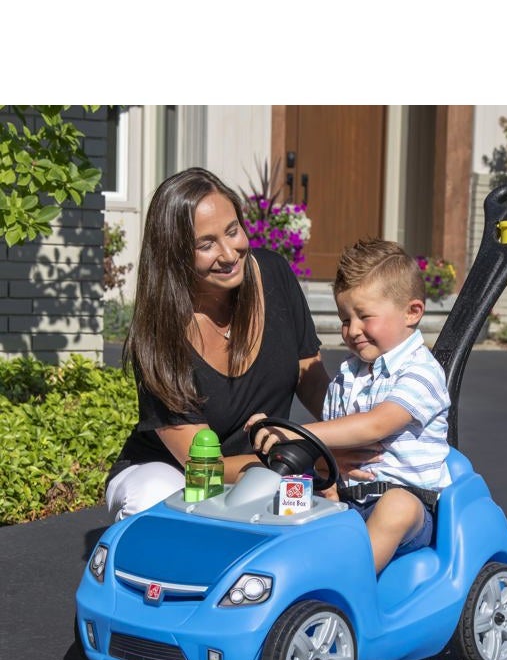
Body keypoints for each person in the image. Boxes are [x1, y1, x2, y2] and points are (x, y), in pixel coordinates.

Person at [106, 167, 351, 521]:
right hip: (180, 473)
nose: (229, 253)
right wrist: (303, 455)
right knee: (156, 498)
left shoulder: (274, 275)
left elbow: (311, 379)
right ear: (175, 256)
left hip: (266, 470)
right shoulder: (160, 337)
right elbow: (207, 467)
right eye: (206, 244)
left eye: (233, 231)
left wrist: (349, 442)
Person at [249, 237, 452, 573]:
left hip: (411, 508)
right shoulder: (348, 375)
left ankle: (348, 585)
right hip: (346, 499)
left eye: (364, 316)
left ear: (412, 312)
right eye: (345, 319)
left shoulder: (422, 371)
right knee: (286, 490)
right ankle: (269, 576)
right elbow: (333, 443)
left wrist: (295, 434)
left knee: (396, 507)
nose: (353, 330)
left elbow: (377, 424)